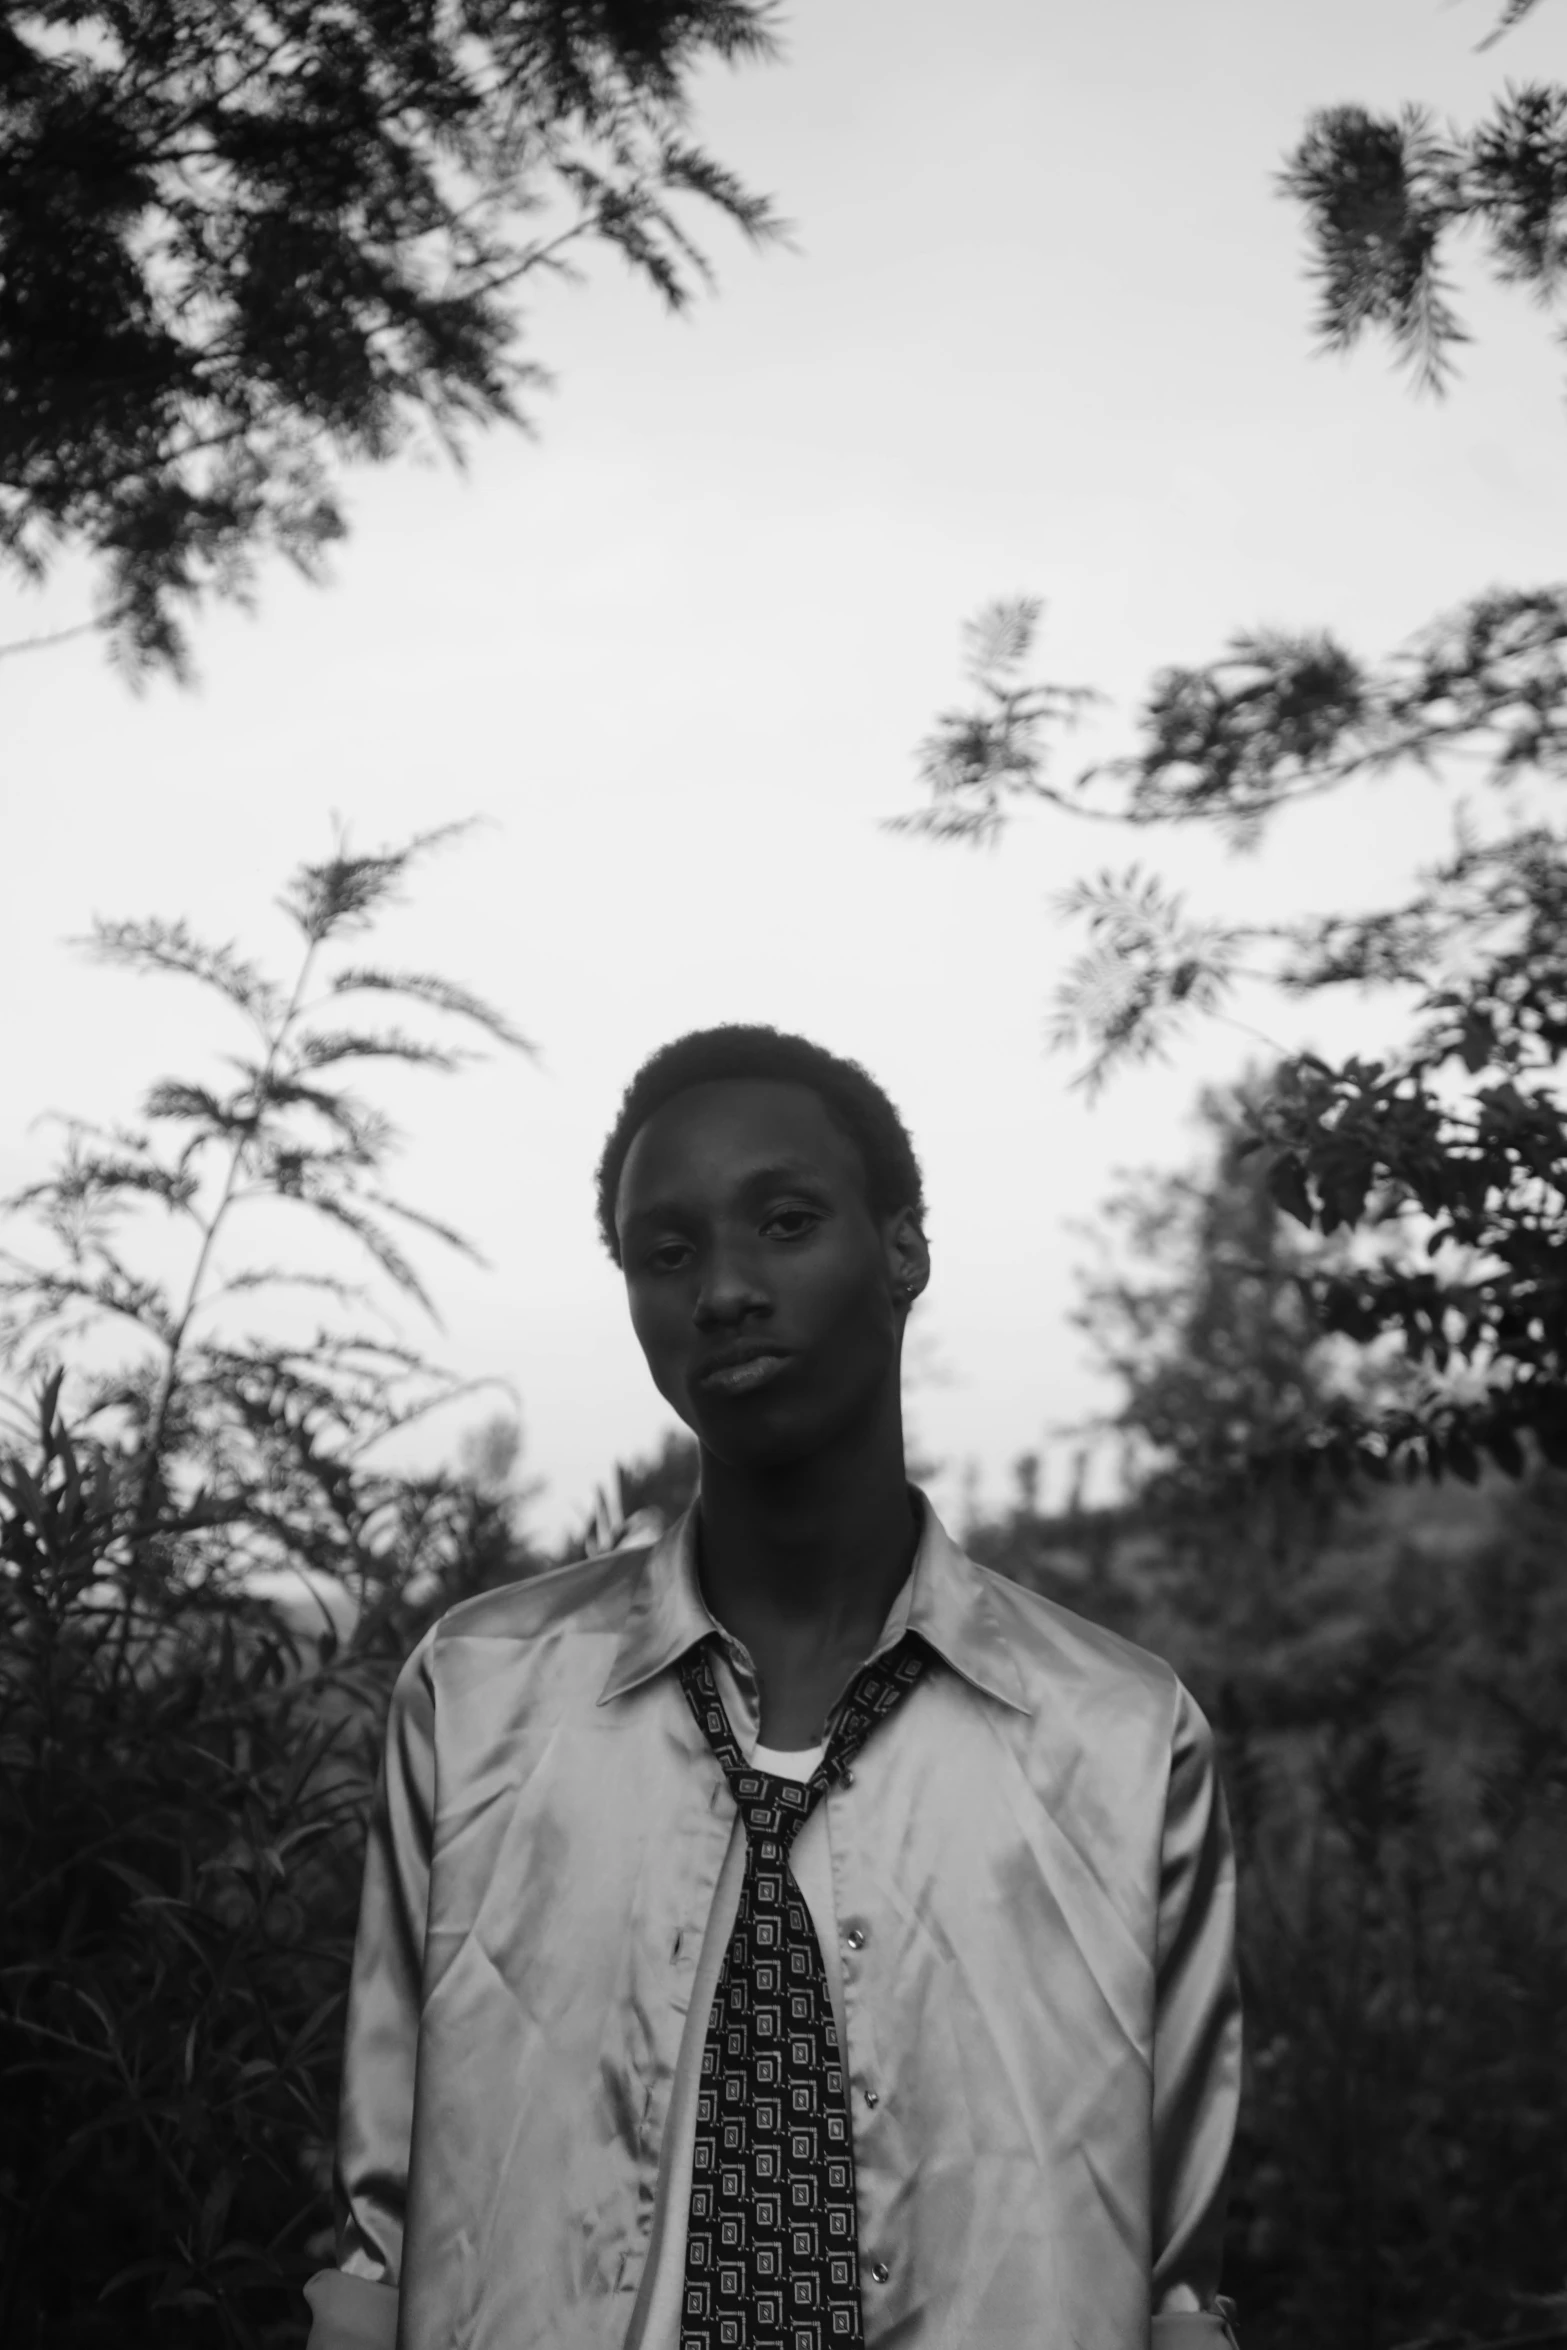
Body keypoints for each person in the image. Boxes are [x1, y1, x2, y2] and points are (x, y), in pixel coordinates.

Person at [303, 1024, 1244, 2350]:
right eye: (665, 1252)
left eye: (786, 1221)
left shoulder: (1120, 1735)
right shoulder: (478, 1695)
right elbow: (380, 2233)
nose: (724, 1288)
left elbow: (1171, 2281)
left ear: (900, 1249)